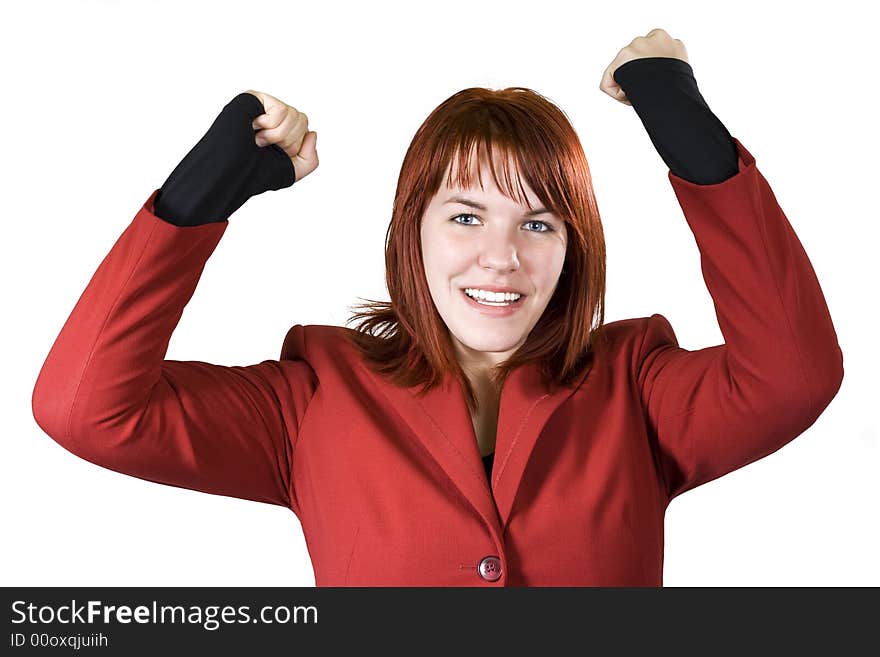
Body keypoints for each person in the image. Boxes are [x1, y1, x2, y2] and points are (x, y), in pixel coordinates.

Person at [32, 29, 843, 586]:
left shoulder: (636, 388)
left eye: (537, 222)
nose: (502, 256)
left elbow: (794, 375)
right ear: (408, 233)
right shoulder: (311, 399)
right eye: (464, 216)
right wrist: (208, 190)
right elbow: (84, 408)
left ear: (574, 246)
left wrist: (676, 112)